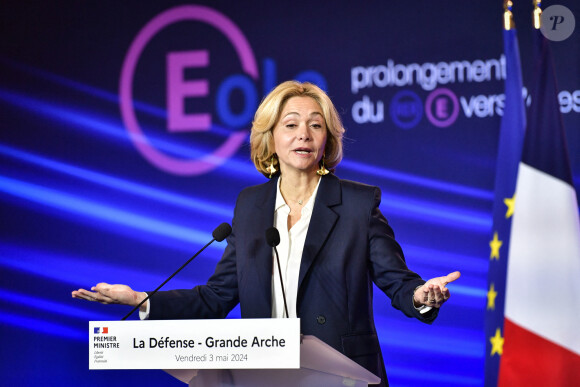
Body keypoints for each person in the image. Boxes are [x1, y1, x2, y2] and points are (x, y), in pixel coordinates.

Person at [72, 80, 460, 386]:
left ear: (327, 140)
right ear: (270, 139)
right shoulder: (251, 206)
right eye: (290, 125)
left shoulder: (358, 205)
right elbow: (217, 297)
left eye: (315, 125)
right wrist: (141, 300)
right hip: (265, 377)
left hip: (343, 378)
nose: (303, 134)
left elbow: (397, 281)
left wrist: (421, 295)